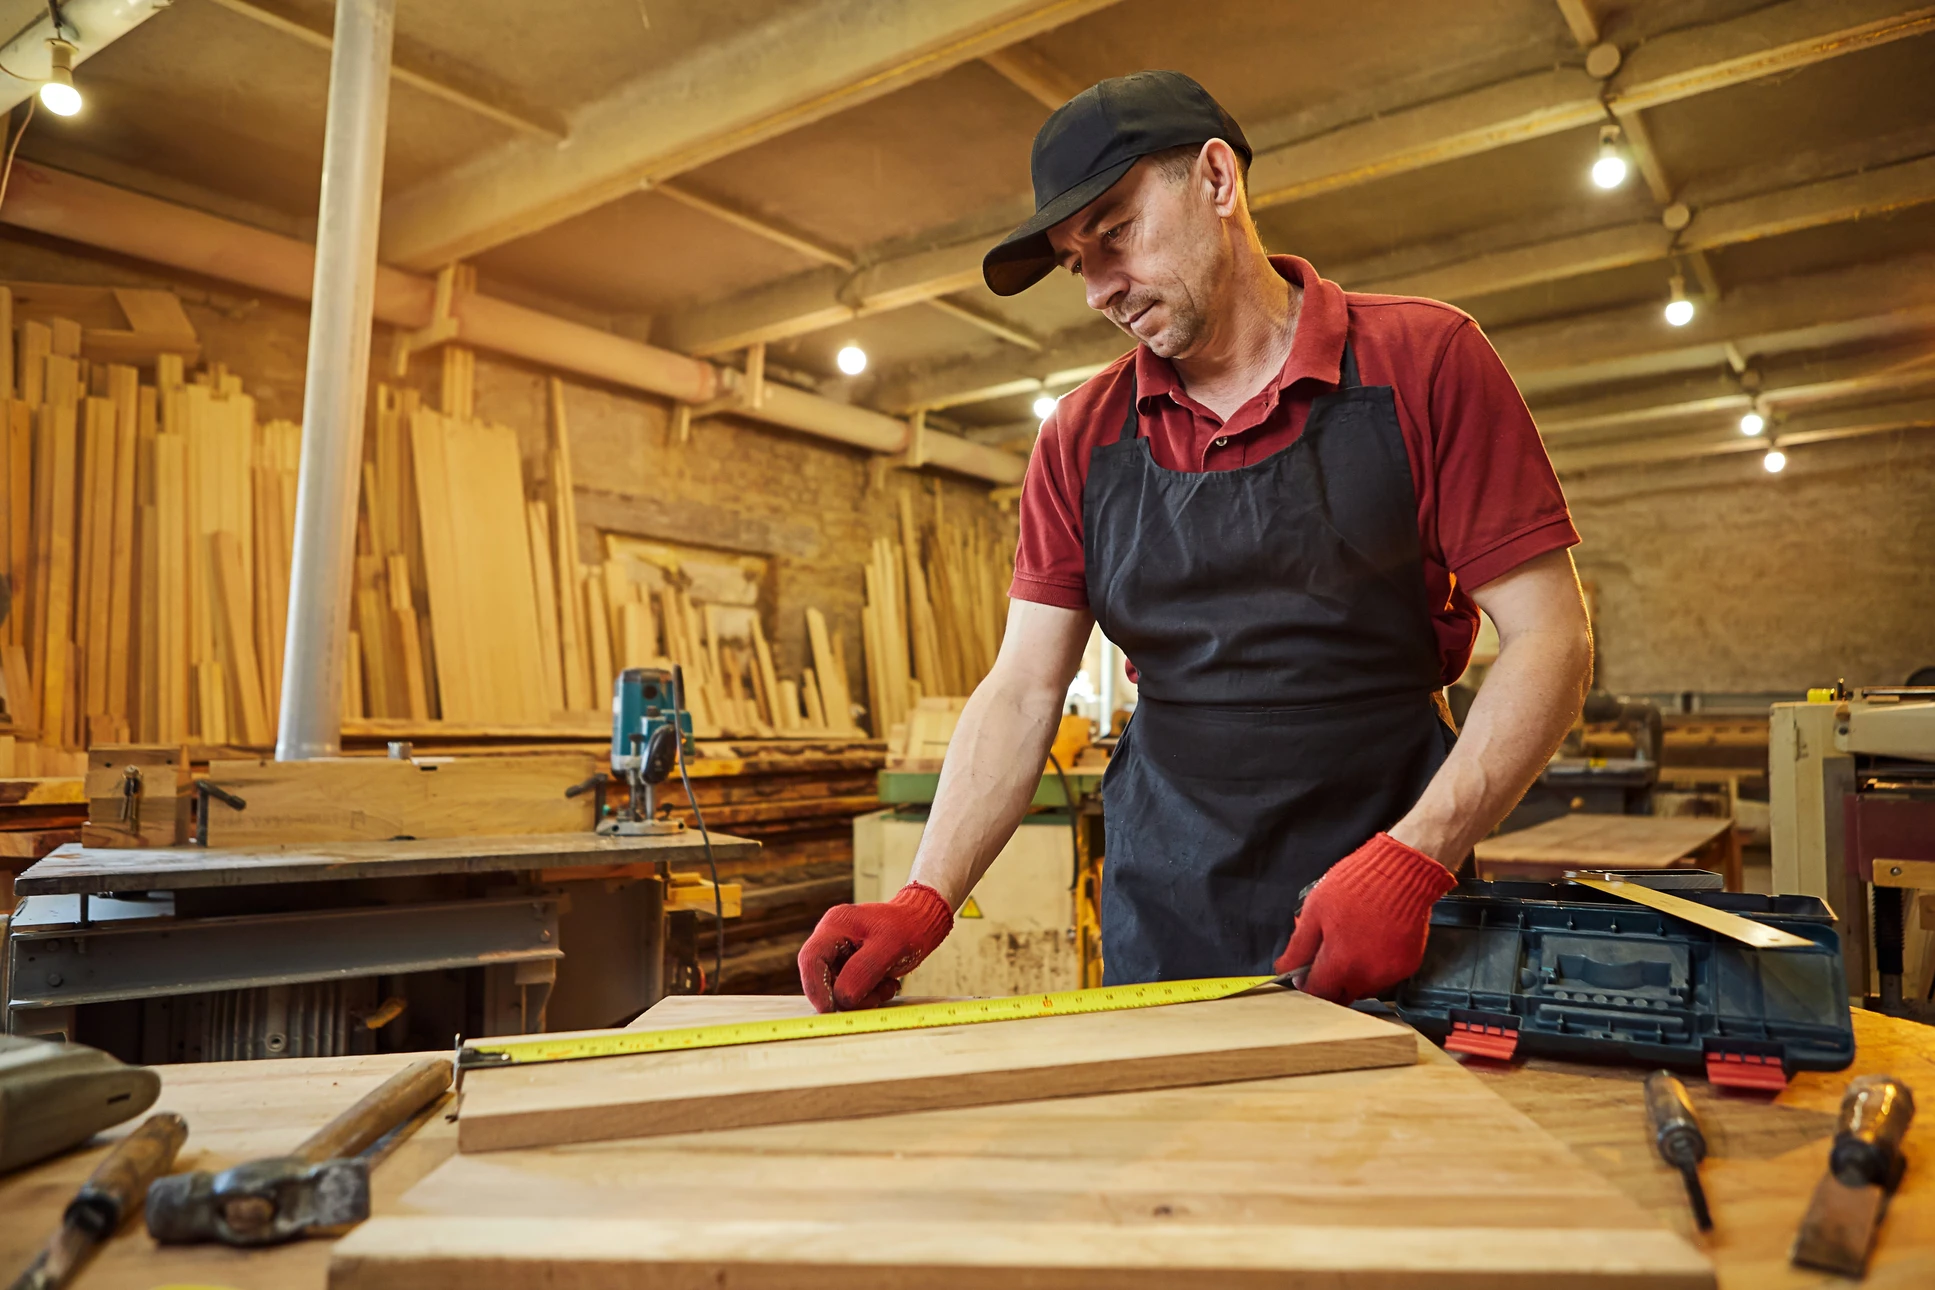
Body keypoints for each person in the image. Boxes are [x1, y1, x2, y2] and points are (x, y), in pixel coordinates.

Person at [799, 70, 1593, 1010]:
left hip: (1385, 878)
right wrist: (924, 897)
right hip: (1166, 894)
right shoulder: (1079, 438)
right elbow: (1021, 690)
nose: (1097, 288)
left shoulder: (1422, 363)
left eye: (1115, 234)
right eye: (1072, 262)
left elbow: (1551, 639)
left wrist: (1414, 860)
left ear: (1217, 181)